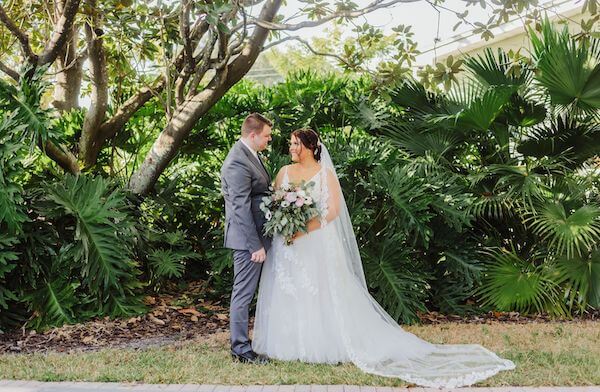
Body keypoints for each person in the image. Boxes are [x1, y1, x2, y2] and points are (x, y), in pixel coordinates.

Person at [253, 128, 515, 388]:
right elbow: (276, 204)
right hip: (288, 244)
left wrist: (302, 230)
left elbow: (332, 211)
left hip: (316, 241)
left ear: (309, 147)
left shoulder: (325, 174)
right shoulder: (284, 172)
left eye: (295, 144)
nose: (291, 148)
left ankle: (320, 344)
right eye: (290, 144)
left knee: (318, 291)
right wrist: (286, 227)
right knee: (290, 289)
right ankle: (288, 343)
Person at [220, 113, 273, 364]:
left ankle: (244, 345)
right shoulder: (236, 162)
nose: (268, 140)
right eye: (266, 136)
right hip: (246, 241)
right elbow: (239, 207)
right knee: (243, 293)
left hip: (257, 235)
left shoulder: (251, 156)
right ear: (252, 135)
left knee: (246, 292)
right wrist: (256, 246)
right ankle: (240, 349)